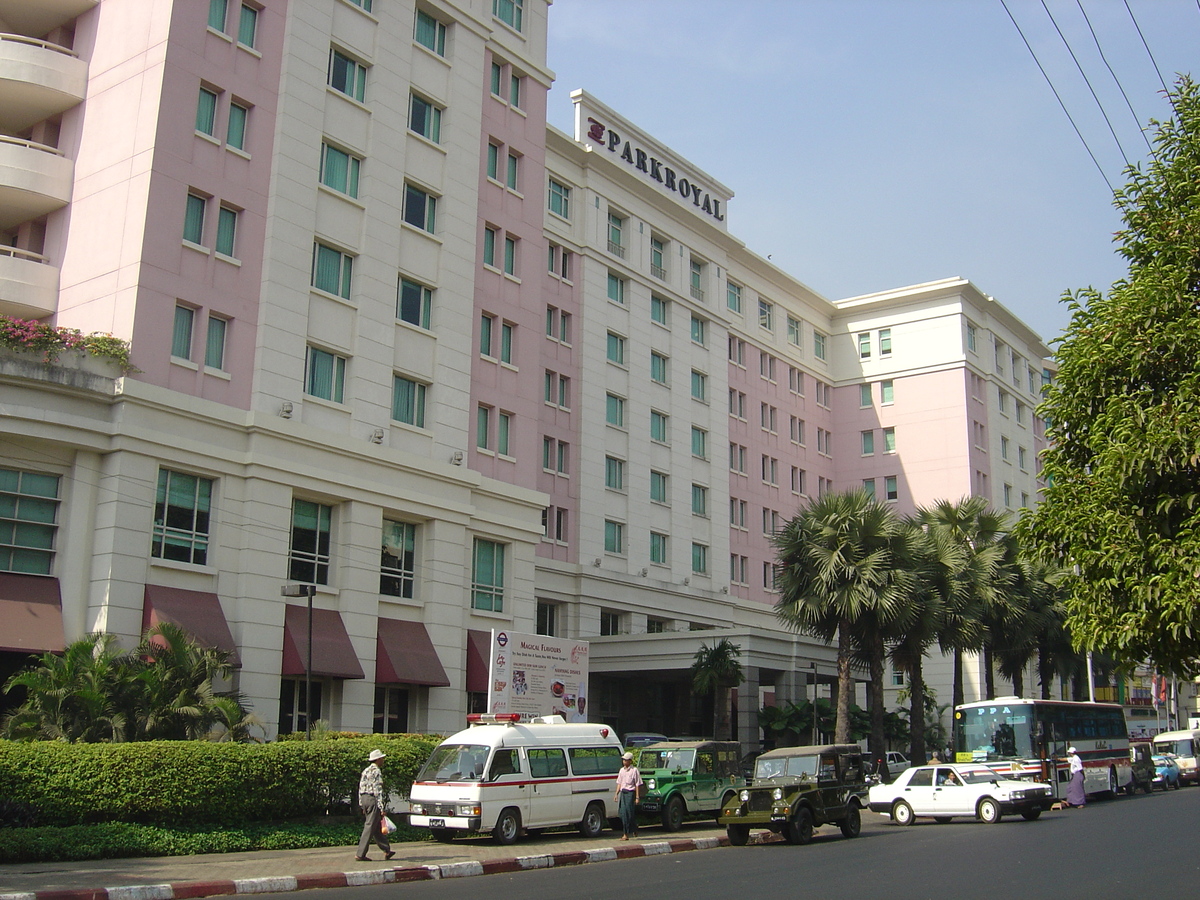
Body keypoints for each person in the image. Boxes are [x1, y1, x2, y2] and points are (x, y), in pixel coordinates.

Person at [356, 749, 395, 861]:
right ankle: (360, 854)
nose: (383, 760)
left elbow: (361, 787)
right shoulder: (376, 771)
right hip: (372, 799)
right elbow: (378, 790)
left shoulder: (366, 770)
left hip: (364, 798)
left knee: (376, 826)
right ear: (378, 759)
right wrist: (381, 807)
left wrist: (361, 804)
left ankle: (386, 849)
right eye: (382, 758)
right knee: (369, 826)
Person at [613, 751, 643, 840]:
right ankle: (633, 828)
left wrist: (637, 797)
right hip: (623, 793)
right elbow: (619, 783)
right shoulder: (621, 770)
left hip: (630, 793)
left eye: (626, 760)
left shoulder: (634, 771)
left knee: (628, 813)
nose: (624, 762)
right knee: (622, 813)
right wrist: (616, 794)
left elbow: (637, 784)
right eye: (623, 760)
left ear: (630, 761)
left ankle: (626, 834)